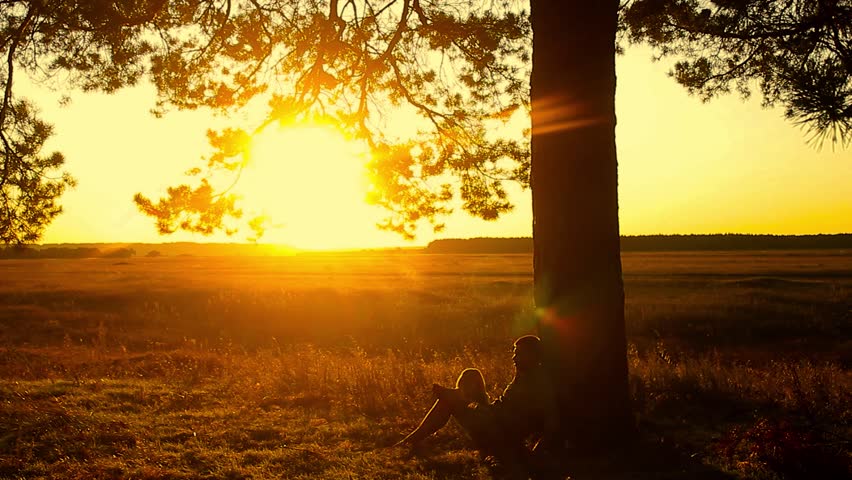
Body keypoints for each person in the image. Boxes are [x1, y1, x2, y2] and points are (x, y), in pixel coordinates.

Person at [397, 335, 560, 478]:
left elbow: (551, 420)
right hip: (491, 416)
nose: (514, 358)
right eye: (514, 353)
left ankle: (412, 438)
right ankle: (455, 397)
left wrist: (535, 453)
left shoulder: (539, 384)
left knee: (447, 401)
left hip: (498, 431)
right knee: (471, 374)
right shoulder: (522, 375)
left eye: (519, 354)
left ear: (533, 356)